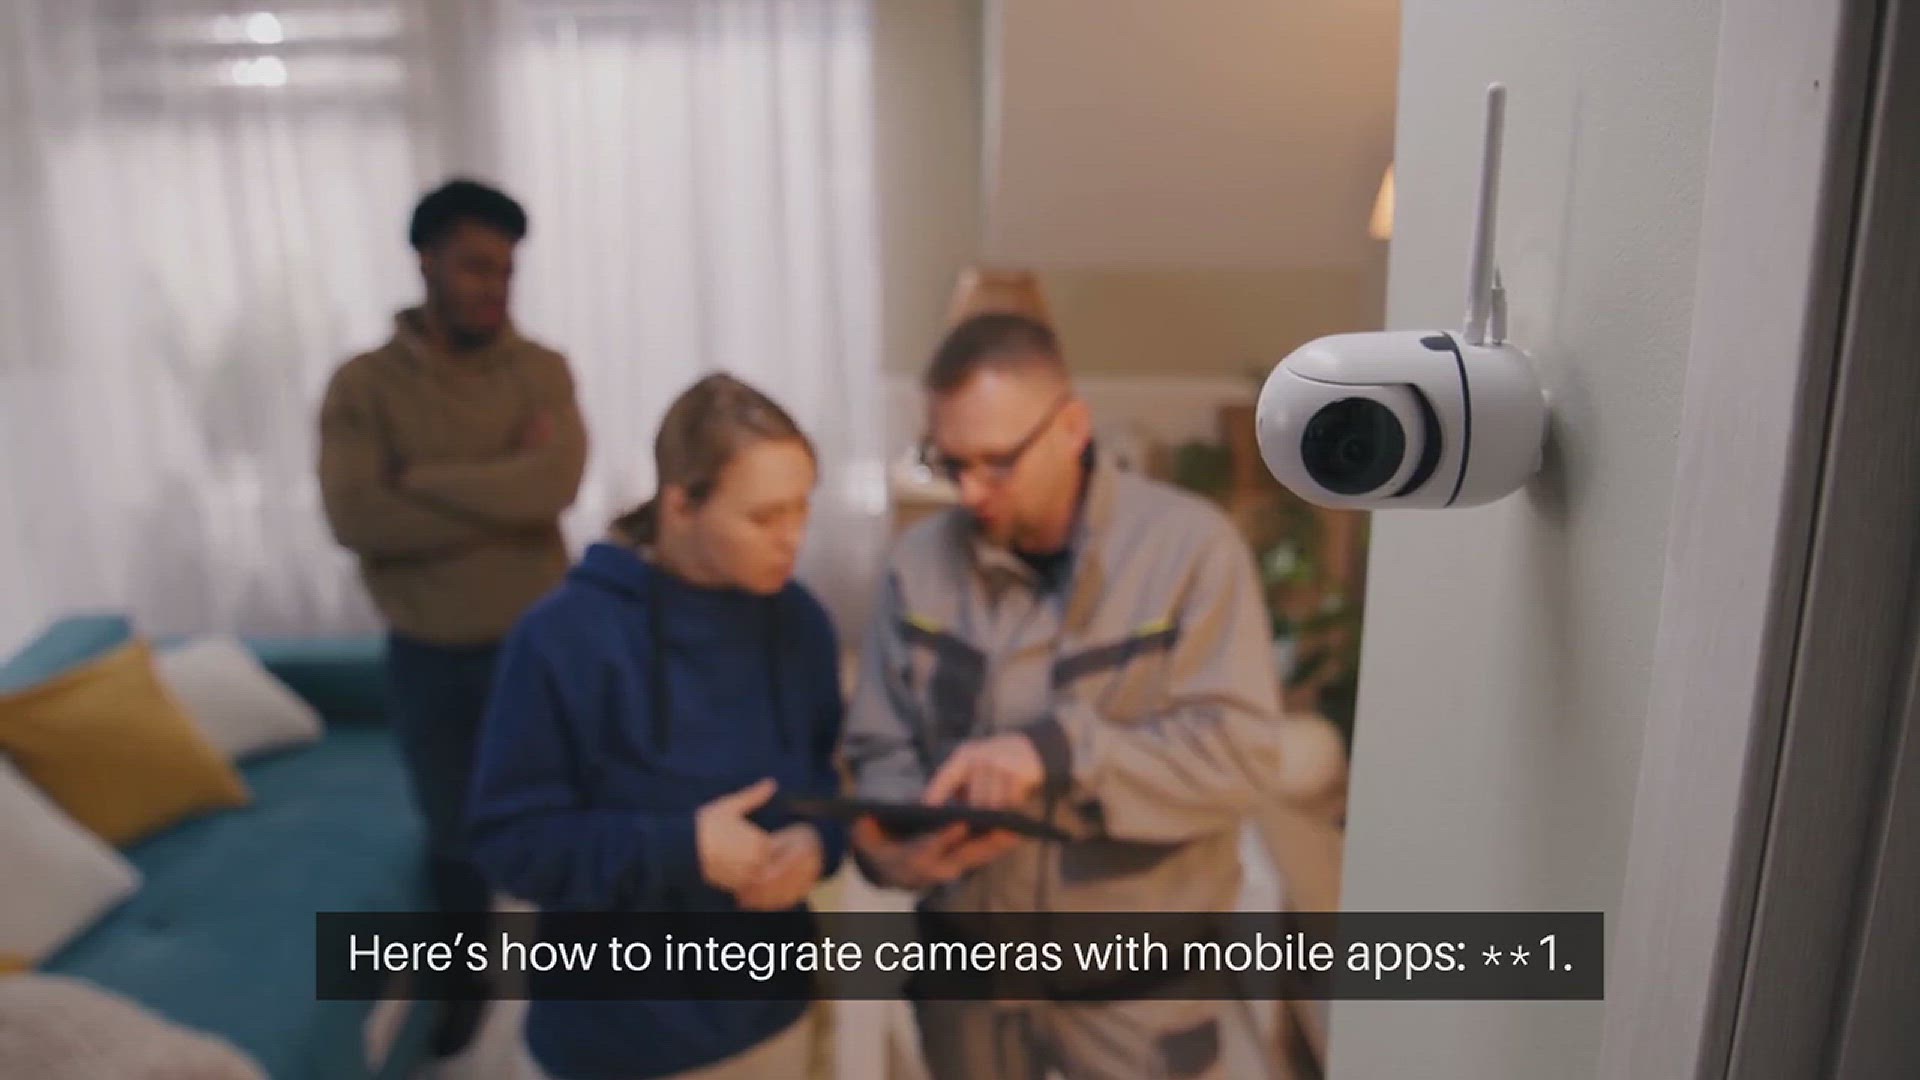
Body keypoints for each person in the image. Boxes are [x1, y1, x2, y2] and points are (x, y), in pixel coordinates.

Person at [841, 313, 1286, 1080]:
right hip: (969, 986)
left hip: (1138, 995)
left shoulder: (1191, 550)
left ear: (1072, 427)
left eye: (997, 463)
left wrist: (1056, 753)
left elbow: (1242, 757)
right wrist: (893, 845)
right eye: (950, 464)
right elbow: (880, 748)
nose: (970, 491)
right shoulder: (915, 567)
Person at [466, 374, 848, 1080]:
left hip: (775, 1017)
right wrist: (682, 848)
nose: (793, 538)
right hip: (613, 1042)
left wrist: (817, 844)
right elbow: (510, 844)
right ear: (680, 506)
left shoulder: (803, 625)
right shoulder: (562, 639)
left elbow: (829, 782)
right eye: (764, 517)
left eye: (802, 508)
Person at [316, 178, 588, 1055]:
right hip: (430, 654)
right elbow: (357, 517)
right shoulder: (364, 386)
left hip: (538, 646)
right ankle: (467, 984)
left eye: (506, 271)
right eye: (475, 267)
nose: (493, 288)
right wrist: (500, 490)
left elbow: (553, 485)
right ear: (425, 261)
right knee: (454, 834)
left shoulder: (541, 370)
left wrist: (422, 479)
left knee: (568, 818)